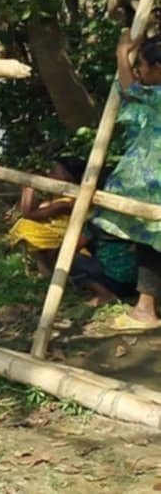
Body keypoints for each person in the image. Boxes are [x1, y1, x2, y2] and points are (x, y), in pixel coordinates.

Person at [88, 32, 161, 330]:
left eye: (142, 66)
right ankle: (145, 306)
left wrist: (121, 54)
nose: (139, 72)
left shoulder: (156, 98)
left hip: (152, 188)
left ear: (158, 68)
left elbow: (129, 90)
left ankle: (145, 310)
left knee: (151, 242)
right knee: (150, 243)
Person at [10, 154, 135, 305]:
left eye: (55, 170)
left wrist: (28, 186)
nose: (50, 174)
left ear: (67, 176)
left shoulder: (74, 204)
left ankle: (104, 294)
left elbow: (29, 214)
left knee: (66, 256)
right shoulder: (128, 219)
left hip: (117, 282)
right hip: (136, 282)